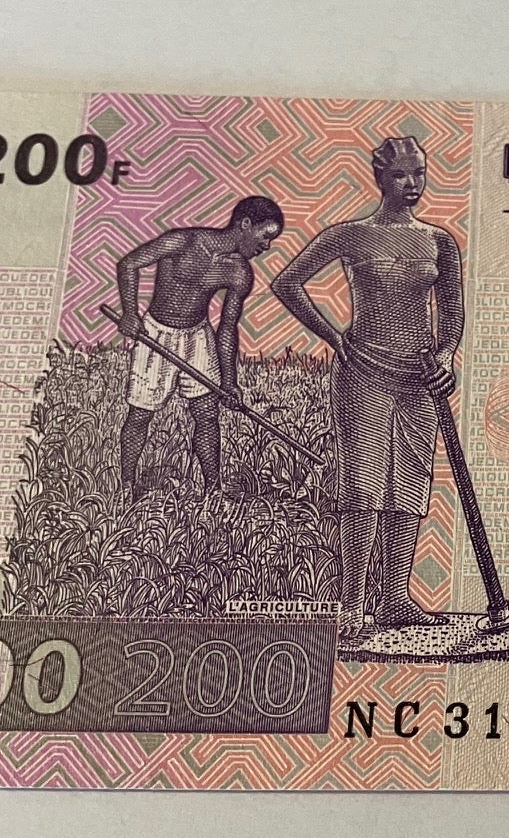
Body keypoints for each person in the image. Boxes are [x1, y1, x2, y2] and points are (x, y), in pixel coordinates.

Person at [267, 137, 462, 636]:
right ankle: (352, 606)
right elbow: (286, 283)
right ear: (379, 179)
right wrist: (334, 336)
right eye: (400, 175)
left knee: (410, 484)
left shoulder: (439, 242)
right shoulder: (350, 235)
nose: (412, 184)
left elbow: (452, 316)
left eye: (419, 173)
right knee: (362, 486)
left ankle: (394, 600)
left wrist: (445, 356)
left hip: (419, 378)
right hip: (364, 372)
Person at [113, 196, 284, 502]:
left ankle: (213, 491)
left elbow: (227, 328)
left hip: (197, 338)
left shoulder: (240, 272)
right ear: (246, 224)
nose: (266, 246)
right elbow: (129, 263)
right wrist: (129, 312)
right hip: (156, 334)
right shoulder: (183, 241)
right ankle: (126, 486)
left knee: (207, 414)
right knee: (140, 414)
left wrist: (229, 382)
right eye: (265, 236)